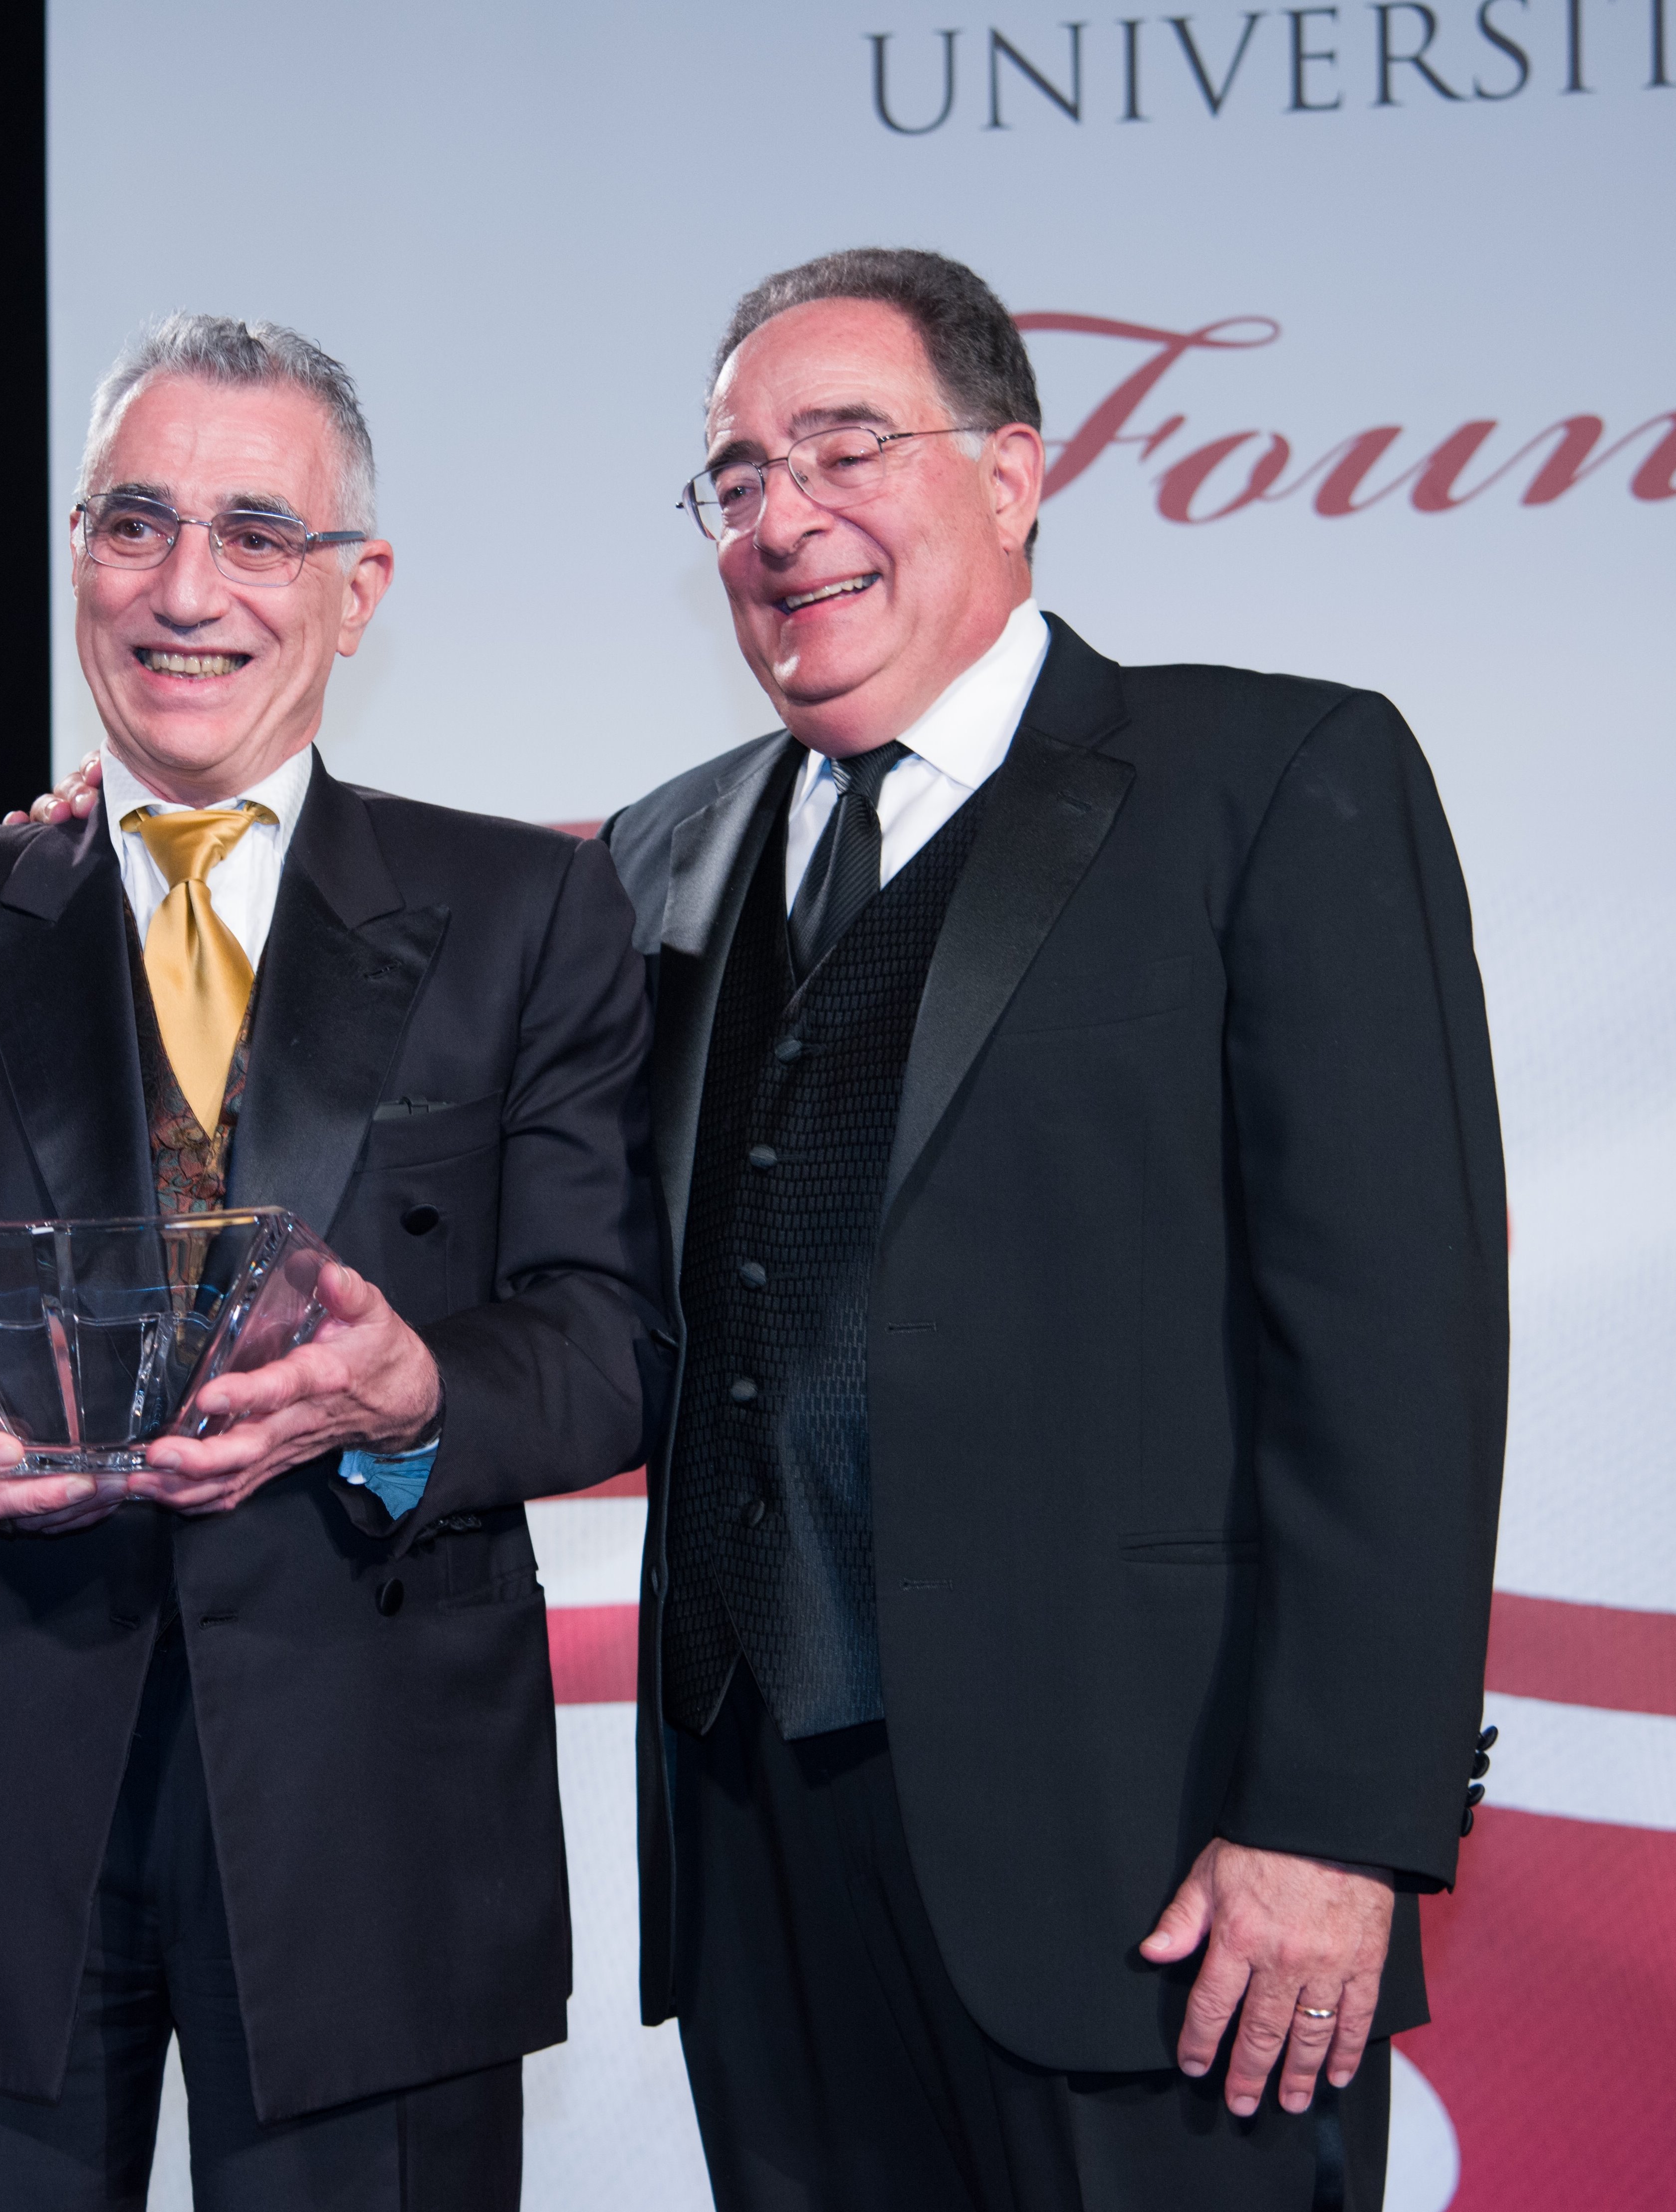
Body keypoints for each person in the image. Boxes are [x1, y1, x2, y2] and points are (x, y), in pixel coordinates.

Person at [596, 248, 1507, 2209]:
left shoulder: (1268, 779)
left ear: (1013, 473)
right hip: (765, 1857)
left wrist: (1337, 1827)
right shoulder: (656, 853)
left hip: (1165, 1878)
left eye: (845, 449)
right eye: (735, 479)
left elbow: (1392, 1349)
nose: (782, 519)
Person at [0, 314, 655, 2210]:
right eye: (135, 523)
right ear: (77, 553)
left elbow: (611, 1334)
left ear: (357, 587)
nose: (186, 589)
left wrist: (415, 1399)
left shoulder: (525, 910)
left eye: (255, 533)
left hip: (371, 1818)